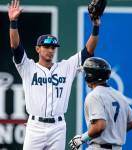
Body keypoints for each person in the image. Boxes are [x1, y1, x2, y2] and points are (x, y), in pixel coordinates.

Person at [8, 0, 101, 149]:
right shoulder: (27, 67)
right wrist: (13, 22)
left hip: (58, 127)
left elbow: (88, 51)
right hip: (35, 126)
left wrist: (96, 27)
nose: (50, 50)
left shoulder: (66, 67)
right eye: (46, 46)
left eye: (53, 47)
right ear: (38, 48)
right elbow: (15, 46)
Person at [69, 57, 132, 150]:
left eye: (86, 72)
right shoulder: (119, 95)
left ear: (90, 75)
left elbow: (99, 126)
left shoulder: (94, 95)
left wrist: (82, 139)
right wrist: (113, 134)